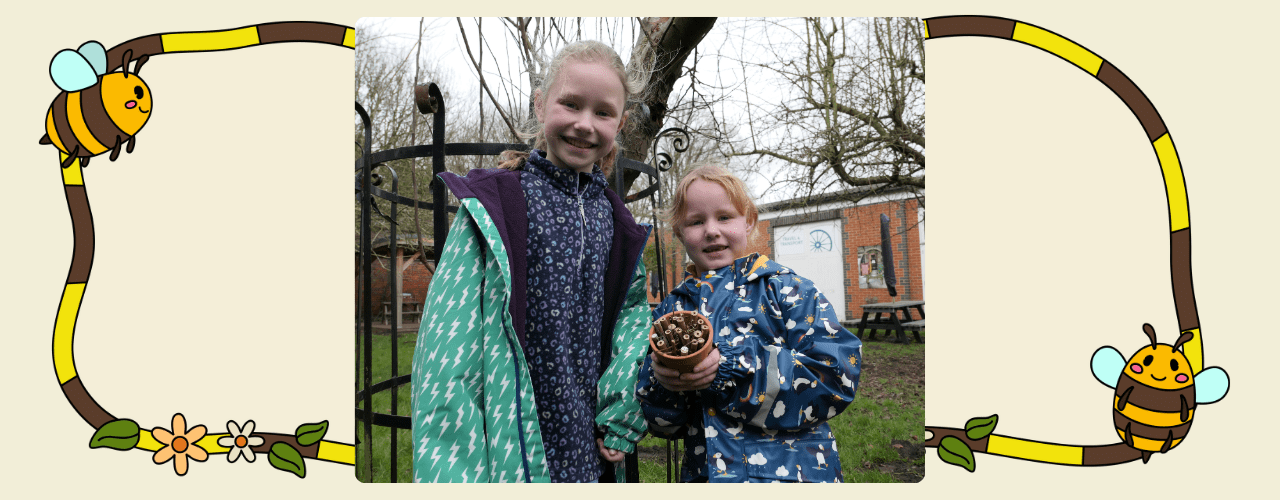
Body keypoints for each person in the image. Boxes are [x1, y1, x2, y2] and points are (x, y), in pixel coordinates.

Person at [410, 40, 651, 483]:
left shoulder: (617, 223)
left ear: (621, 122)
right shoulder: (497, 205)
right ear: (540, 104)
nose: (584, 124)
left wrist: (621, 408)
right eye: (570, 104)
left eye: (603, 112)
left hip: (589, 452)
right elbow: (448, 352)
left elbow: (633, 322)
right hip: (510, 447)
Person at [636, 165, 863, 483]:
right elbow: (664, 424)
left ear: (749, 222)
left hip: (793, 477)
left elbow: (836, 377)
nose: (711, 230)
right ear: (678, 232)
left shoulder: (786, 290)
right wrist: (663, 383)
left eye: (724, 217)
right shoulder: (674, 310)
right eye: (696, 221)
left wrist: (730, 366)